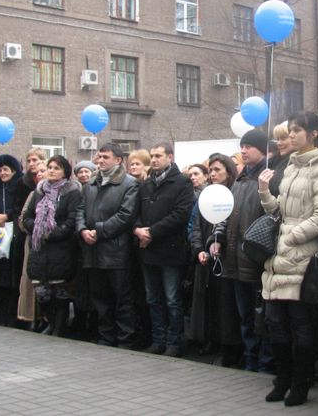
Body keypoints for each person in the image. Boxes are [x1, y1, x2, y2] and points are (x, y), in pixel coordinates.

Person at [257, 111, 318, 406]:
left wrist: (291, 238)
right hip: (280, 256)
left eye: (296, 131)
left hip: (302, 256)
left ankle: (301, 384)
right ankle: (283, 379)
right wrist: (264, 191)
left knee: (300, 323)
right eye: (289, 131)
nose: (290, 136)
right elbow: (279, 210)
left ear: (313, 134)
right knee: (275, 322)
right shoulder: (291, 166)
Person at [210, 129, 271, 372]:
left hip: (255, 260)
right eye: (242, 146)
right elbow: (226, 214)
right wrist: (218, 239)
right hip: (234, 260)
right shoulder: (240, 179)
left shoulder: (268, 177)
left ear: (262, 149)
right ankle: (250, 359)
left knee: (261, 317)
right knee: (244, 316)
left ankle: (265, 363)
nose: (243, 151)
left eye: (249, 146)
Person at [76, 143, 140, 348]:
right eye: (99, 156)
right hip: (92, 251)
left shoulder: (129, 184)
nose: (100, 160)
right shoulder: (91, 183)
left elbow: (126, 215)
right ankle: (106, 337)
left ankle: (125, 339)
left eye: (105, 157)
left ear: (118, 160)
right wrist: (82, 230)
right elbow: (80, 210)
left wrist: (100, 230)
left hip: (116, 252)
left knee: (122, 299)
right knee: (100, 299)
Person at [135, 142, 194, 357]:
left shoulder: (182, 182)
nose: (153, 159)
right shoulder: (146, 184)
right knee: (152, 298)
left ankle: (174, 343)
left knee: (172, 299)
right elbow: (137, 212)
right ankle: (158, 340)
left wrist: (152, 232)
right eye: (152, 155)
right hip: (147, 250)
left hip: (170, 250)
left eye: (158, 155)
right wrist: (138, 230)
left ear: (170, 157)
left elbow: (181, 214)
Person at [22, 155, 83, 337]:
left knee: (60, 292)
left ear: (65, 171)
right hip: (39, 248)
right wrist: (37, 229)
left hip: (61, 248)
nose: (52, 171)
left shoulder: (72, 192)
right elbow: (27, 217)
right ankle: (51, 321)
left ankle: (59, 327)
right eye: (50, 167)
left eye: (56, 167)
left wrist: (53, 233)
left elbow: (72, 219)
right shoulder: (39, 191)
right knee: (42, 293)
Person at [189, 154, 238, 355]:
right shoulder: (206, 194)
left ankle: (226, 343)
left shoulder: (235, 191)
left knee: (225, 303)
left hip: (227, 256)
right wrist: (199, 249)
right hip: (206, 256)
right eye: (211, 170)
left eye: (218, 169)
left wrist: (219, 244)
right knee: (206, 300)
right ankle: (208, 339)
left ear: (228, 170)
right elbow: (196, 225)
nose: (213, 174)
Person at [0, 154, 33, 326]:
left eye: (6, 170)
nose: (3, 173)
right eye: (0, 170)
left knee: (13, 278)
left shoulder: (21, 185)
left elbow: (23, 208)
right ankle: (0, 313)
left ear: (14, 170)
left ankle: (13, 316)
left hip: (14, 236)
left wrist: (8, 215)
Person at [268, 121, 294, 197]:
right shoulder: (274, 162)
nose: (278, 143)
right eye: (278, 139)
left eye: (283, 138)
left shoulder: (299, 162)